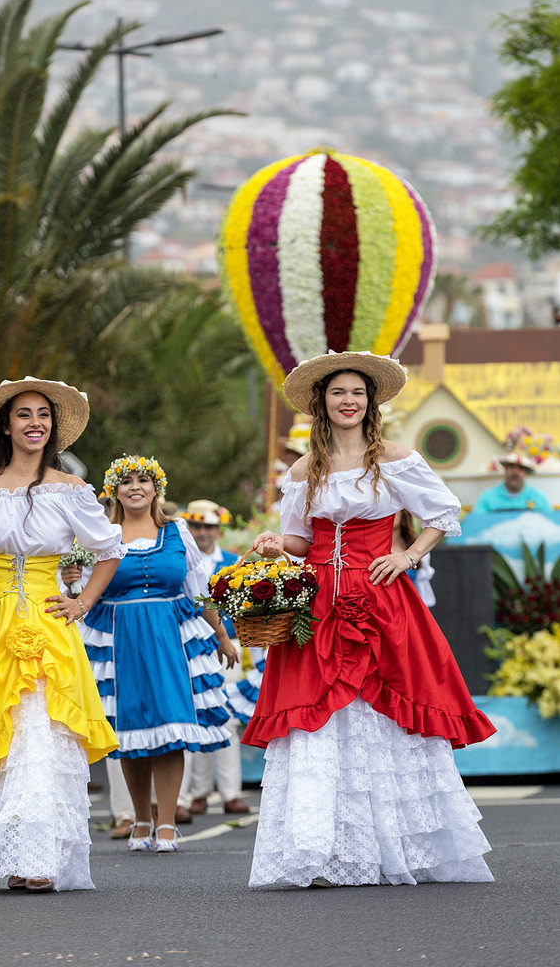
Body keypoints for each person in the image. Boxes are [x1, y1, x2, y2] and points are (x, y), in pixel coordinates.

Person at [246, 350, 496, 888]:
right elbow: (301, 539)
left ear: (371, 402)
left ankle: (395, 847)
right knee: (318, 718)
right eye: (338, 393)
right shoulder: (301, 469)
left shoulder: (394, 460)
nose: (348, 401)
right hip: (315, 602)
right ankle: (323, 852)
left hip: (378, 598)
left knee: (384, 712)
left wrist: (408, 556)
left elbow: (444, 513)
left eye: (358, 393)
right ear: (322, 402)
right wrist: (275, 545)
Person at [0, 377, 124, 893]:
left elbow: (109, 551)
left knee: (38, 731)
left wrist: (81, 602)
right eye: (24, 415)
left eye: (43, 415)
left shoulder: (69, 489)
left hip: (46, 621)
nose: (35, 423)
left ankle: (37, 857)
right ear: (5, 428)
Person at [81, 456, 237, 853]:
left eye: (144, 480)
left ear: (155, 488)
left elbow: (199, 588)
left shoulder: (176, 531)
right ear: (114, 490)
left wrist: (220, 635)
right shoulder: (101, 534)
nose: (136, 487)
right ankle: (140, 819)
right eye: (127, 481)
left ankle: (166, 823)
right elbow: (84, 593)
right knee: (129, 733)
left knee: (171, 729)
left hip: (170, 635)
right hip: (120, 638)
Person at [180, 499, 249, 817]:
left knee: (228, 716)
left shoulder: (236, 562)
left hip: (229, 646)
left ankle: (231, 793)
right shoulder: (179, 559)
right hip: (189, 646)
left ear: (218, 529)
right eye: (196, 526)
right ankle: (199, 793)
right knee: (193, 718)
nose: (202, 532)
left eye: (208, 526)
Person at [473, 452, 553, 516]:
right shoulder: (488, 497)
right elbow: (478, 524)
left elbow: (549, 524)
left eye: (520, 468)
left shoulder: (539, 498)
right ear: (505, 469)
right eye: (511, 467)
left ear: (526, 472)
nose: (515, 472)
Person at [392, 509, 436, 607]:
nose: (389, 515)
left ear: (403, 513)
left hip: (411, 610)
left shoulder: (417, 548)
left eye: (393, 510)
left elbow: (423, 591)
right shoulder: (372, 549)